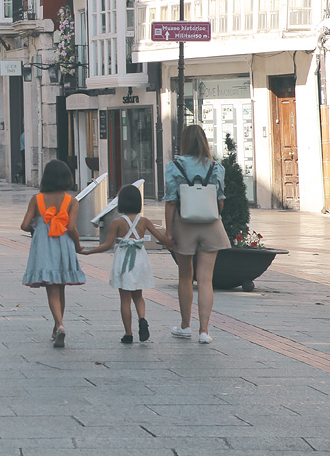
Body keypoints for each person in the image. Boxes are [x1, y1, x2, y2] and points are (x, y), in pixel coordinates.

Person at [81, 184, 174, 344]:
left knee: (125, 299)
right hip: (140, 259)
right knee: (138, 296)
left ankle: (128, 334)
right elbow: (162, 238)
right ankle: (142, 319)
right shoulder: (144, 221)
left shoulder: (117, 223)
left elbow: (107, 245)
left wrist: (89, 251)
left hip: (123, 261)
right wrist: (172, 239)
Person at [164, 124, 230, 344]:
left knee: (185, 276)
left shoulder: (174, 167)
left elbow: (171, 201)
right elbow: (220, 200)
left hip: (184, 223)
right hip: (211, 224)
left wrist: (169, 231)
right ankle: (204, 331)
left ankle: (185, 326)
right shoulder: (216, 167)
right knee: (205, 279)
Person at [19, 160, 85, 348]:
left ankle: (60, 325)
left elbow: (24, 225)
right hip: (64, 245)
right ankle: (57, 326)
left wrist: (37, 224)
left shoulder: (37, 199)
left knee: (52, 289)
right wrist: (78, 245)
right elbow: (71, 227)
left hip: (44, 247)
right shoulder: (71, 201)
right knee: (61, 286)